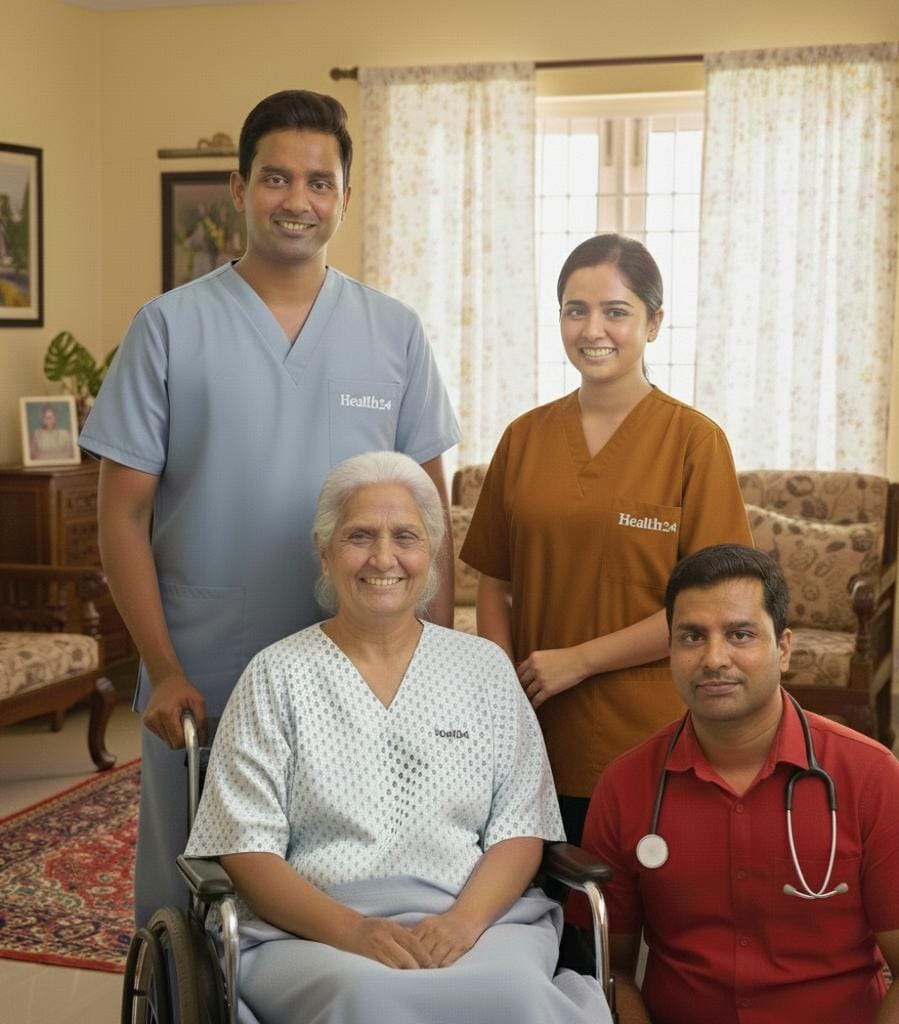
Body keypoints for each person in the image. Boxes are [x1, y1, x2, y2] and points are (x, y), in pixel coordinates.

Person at [78, 90, 460, 926]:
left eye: (319, 183)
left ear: (345, 197)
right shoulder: (168, 328)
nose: (298, 201)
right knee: (197, 890)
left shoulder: (392, 332)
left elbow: (431, 516)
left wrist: (436, 660)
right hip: (205, 663)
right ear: (240, 186)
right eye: (277, 178)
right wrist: (164, 664)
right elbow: (122, 519)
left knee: (352, 877)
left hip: (362, 664)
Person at [184, 452, 611, 1024]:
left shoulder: (483, 668)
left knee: (513, 998)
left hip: (476, 918)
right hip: (309, 931)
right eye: (360, 536)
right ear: (326, 552)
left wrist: (463, 923)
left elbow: (520, 828)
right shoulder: (275, 675)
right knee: (369, 1000)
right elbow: (246, 849)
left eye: (404, 537)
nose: (383, 558)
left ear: (431, 553)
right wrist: (353, 931)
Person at [460, 233, 752, 843]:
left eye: (616, 311)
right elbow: (496, 582)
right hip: (534, 728)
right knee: (551, 915)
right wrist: (502, 689)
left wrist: (579, 661)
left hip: (650, 728)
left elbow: (711, 608)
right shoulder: (524, 439)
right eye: (576, 309)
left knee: (646, 910)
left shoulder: (694, 443)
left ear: (654, 323)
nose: (594, 329)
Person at [571, 544, 899, 1024]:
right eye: (691, 637)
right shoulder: (625, 786)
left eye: (740, 634)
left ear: (783, 648)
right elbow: (609, 967)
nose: (714, 658)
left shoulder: (870, 776)